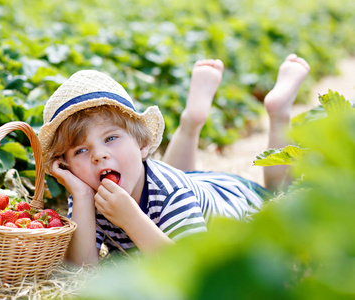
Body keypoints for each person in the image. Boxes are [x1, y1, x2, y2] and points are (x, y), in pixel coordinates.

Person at [38, 54, 310, 266]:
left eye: (110, 139)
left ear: (143, 145)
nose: (98, 155)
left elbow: (191, 268)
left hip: (239, 200)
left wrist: (131, 218)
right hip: (191, 183)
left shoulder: (171, 194)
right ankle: (192, 120)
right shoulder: (87, 191)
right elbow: (81, 268)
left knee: (280, 192)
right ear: (68, 165)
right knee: (173, 177)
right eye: (80, 152)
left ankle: (278, 112)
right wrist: (82, 195)